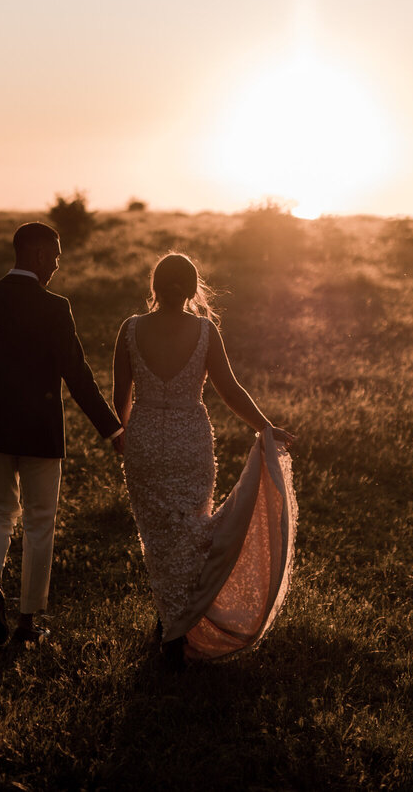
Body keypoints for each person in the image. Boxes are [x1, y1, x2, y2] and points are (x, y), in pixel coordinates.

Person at [0, 221, 124, 646]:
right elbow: (78, 376)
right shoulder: (56, 307)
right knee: (40, 522)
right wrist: (113, 431)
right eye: (55, 255)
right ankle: (25, 623)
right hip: (40, 430)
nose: (57, 264)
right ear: (37, 254)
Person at [112, 252, 297, 664]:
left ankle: (171, 625)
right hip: (190, 443)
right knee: (191, 533)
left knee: (158, 539)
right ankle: (175, 625)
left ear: (154, 288)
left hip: (144, 440)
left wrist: (123, 435)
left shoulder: (130, 329)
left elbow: (120, 396)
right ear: (194, 290)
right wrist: (265, 427)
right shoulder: (205, 331)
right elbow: (229, 390)